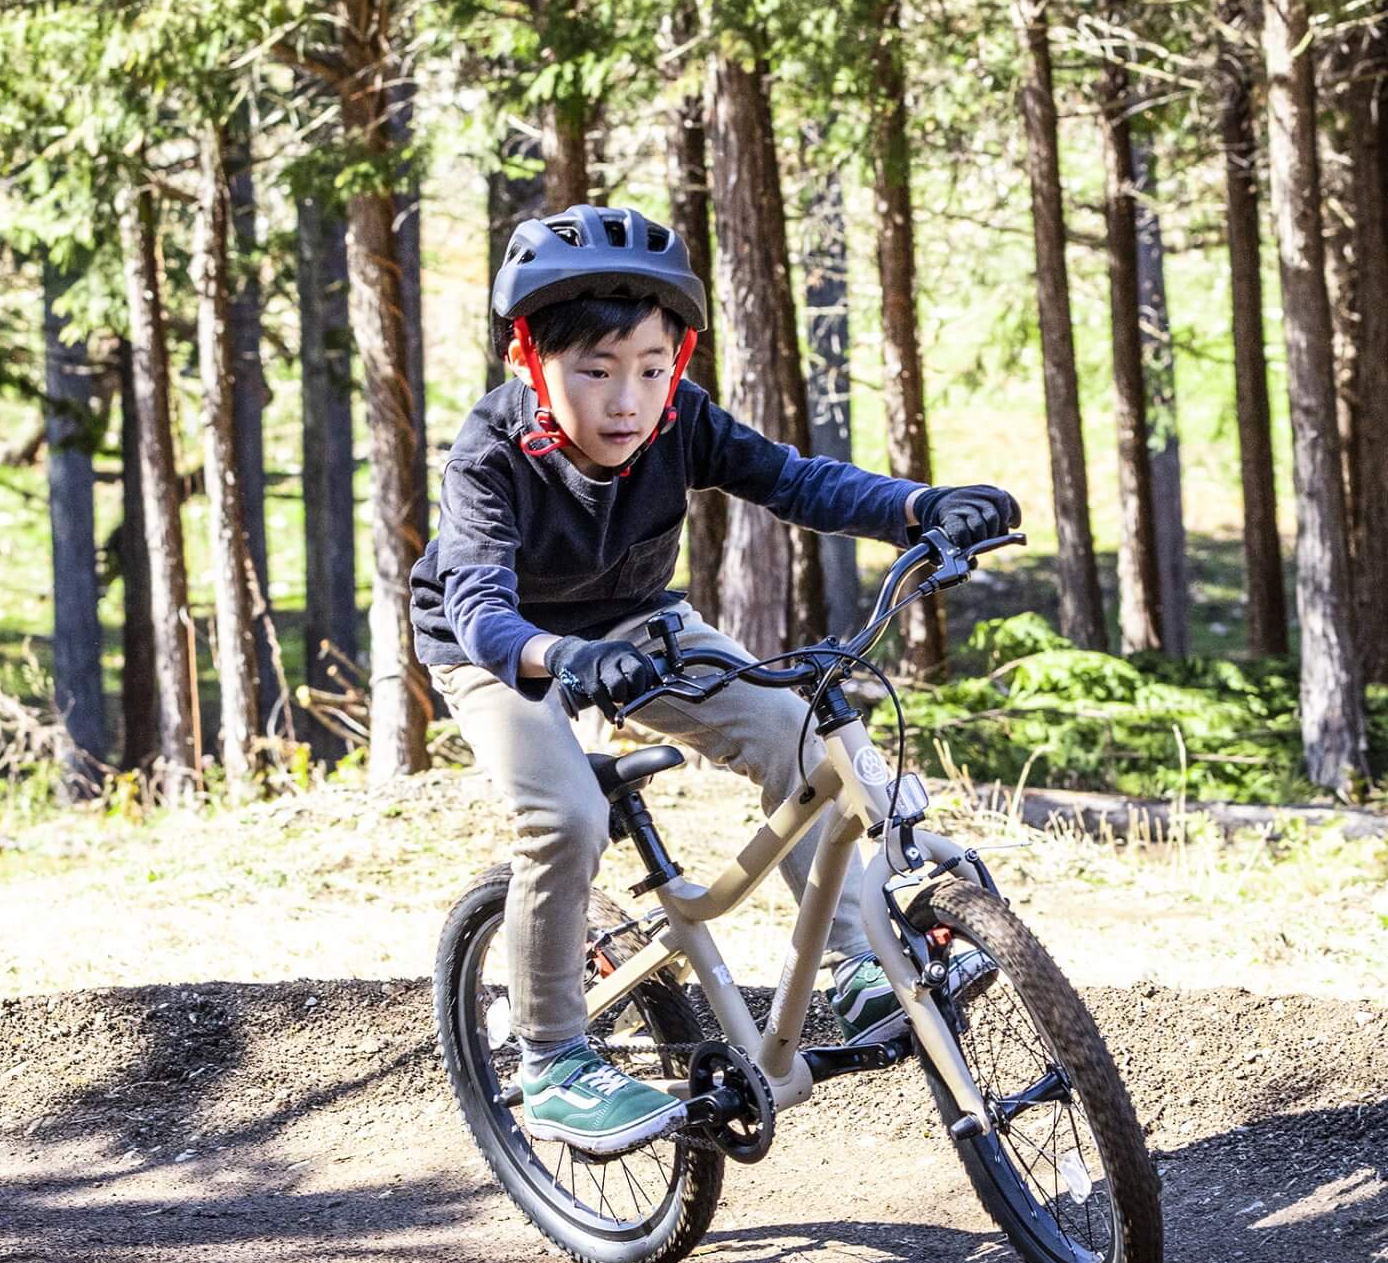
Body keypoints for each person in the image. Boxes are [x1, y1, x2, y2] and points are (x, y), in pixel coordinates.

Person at [410, 204, 1020, 1156]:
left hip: (638, 625)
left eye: (653, 371)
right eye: (596, 373)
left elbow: (797, 481)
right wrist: (565, 662)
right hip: (506, 651)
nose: (628, 403)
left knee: (798, 734)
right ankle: (554, 1057)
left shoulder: (678, 420)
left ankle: (862, 964)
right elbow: (484, 611)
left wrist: (919, 508)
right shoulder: (488, 457)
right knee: (565, 818)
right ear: (530, 361)